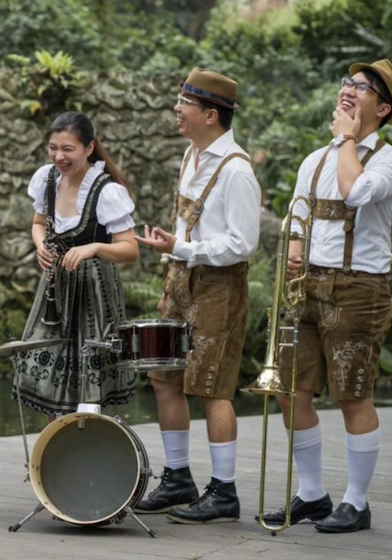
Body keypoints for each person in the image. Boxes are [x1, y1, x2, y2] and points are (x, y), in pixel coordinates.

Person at [259, 59, 392, 534]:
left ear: (384, 108)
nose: (350, 90)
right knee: (291, 391)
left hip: (359, 287)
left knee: (352, 394)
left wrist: (350, 139)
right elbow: (299, 215)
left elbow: (354, 190)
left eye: (363, 87)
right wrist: (295, 250)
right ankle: (313, 495)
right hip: (308, 285)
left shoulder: (387, 159)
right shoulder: (315, 159)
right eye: (348, 83)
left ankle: (357, 503)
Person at [135, 69, 261, 523]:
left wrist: (182, 247)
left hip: (219, 287)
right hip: (181, 278)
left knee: (212, 386)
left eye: (185, 102)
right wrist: (173, 251)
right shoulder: (192, 155)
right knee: (163, 376)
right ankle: (178, 478)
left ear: (211, 114)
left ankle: (224, 492)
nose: (176, 108)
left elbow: (243, 243)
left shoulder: (237, 171)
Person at [12, 111, 139, 418]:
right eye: (53, 148)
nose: (59, 156)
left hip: (94, 291)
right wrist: (41, 245)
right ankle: (54, 453)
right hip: (55, 286)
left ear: (89, 148)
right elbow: (38, 223)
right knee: (47, 364)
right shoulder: (47, 179)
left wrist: (94, 247)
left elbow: (130, 248)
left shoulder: (107, 190)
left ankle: (89, 447)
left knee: (89, 373)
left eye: (68, 149)